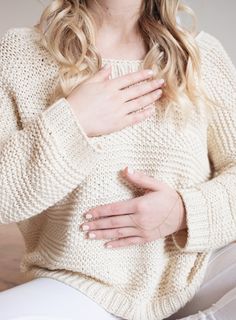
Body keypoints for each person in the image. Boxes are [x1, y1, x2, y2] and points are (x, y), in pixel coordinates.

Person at [0, 0, 235, 319]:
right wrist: (75, 119)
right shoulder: (19, 54)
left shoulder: (202, 54)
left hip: (195, 270)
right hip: (79, 284)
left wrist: (182, 213)